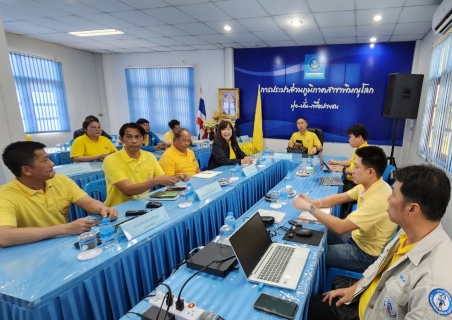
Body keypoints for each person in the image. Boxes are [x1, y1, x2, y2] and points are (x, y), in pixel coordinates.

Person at [307, 164, 452, 320]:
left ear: (412, 209)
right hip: (367, 303)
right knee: (311, 305)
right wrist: (354, 290)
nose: (388, 199)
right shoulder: (409, 231)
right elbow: (379, 267)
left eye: (394, 195)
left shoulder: (434, 282)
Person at [292, 146, 397, 272]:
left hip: (364, 255)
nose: (352, 171)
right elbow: (341, 198)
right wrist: (314, 202)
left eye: (356, 167)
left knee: (311, 254)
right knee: (315, 230)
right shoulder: (371, 184)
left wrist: (310, 207)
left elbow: (341, 228)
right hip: (357, 238)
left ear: (370, 172)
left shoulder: (377, 199)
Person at [0, 141, 118, 248]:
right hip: (30, 252)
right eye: (45, 160)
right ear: (26, 170)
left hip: (61, 245)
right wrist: (66, 228)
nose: (52, 163)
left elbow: (88, 202)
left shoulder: (60, 180)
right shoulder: (5, 196)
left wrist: (103, 208)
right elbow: (3, 236)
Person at [102, 123, 180, 207]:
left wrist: (179, 178)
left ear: (144, 138)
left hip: (143, 203)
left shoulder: (149, 156)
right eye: (129, 137)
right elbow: (128, 190)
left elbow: (163, 180)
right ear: (121, 139)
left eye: (137, 137)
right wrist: (156, 181)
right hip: (118, 208)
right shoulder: (111, 160)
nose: (134, 141)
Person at [328, 124, 369, 192]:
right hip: (350, 181)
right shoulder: (360, 148)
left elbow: (358, 172)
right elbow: (351, 162)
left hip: (354, 185)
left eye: (350, 137)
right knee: (328, 181)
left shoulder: (364, 152)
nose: (349, 140)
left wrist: (343, 169)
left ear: (359, 137)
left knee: (329, 188)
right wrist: (337, 162)